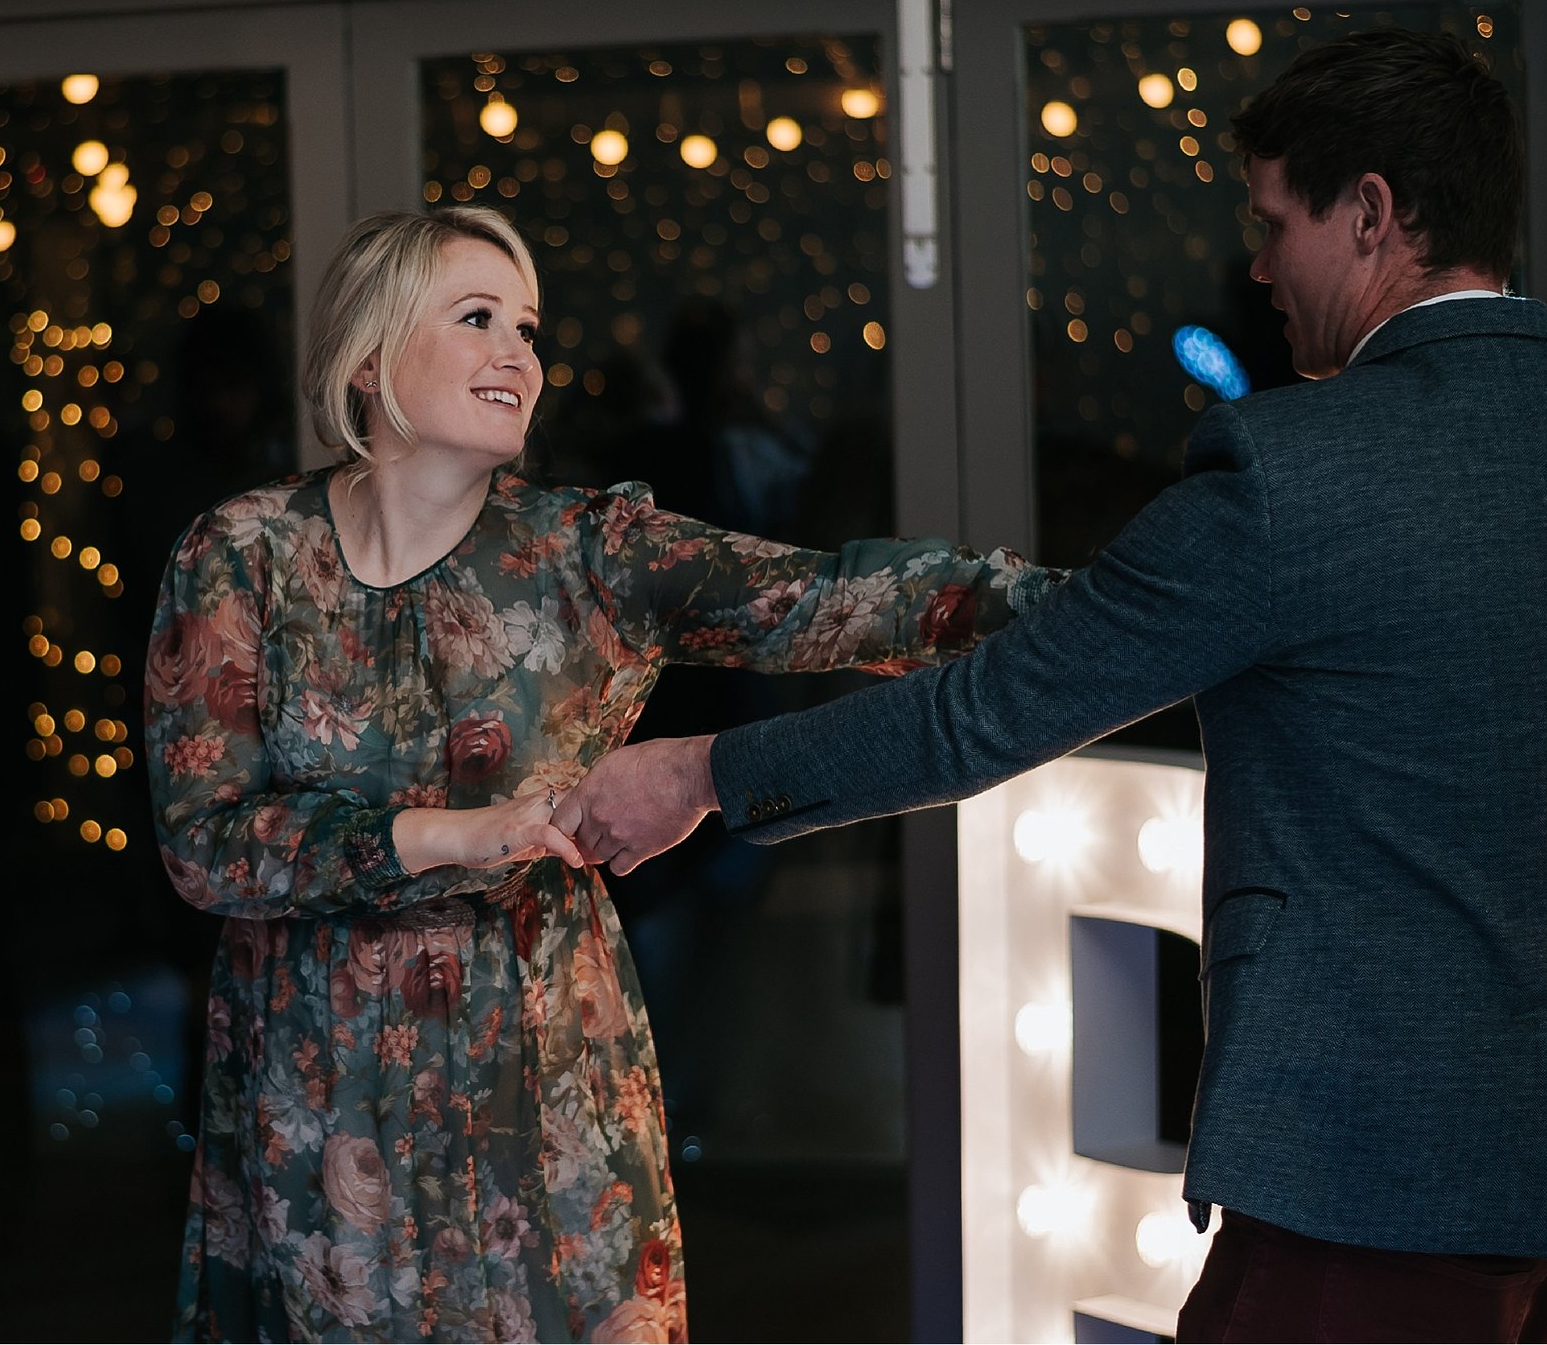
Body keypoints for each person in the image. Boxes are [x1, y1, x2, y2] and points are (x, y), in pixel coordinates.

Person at [559, 30, 1547, 1344]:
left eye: (1274, 221)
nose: (1257, 268)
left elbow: (985, 713)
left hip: (1362, 1189)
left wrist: (697, 773)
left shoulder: (1285, 474)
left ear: (1371, 215)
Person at [143, 205, 1057, 1342]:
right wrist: (455, 833)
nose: (517, 352)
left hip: (542, 1084)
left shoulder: (585, 551)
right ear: (369, 358)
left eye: (527, 327)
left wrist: (1088, 607)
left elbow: (829, 597)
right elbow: (204, 843)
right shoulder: (241, 552)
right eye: (478, 317)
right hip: (319, 1102)